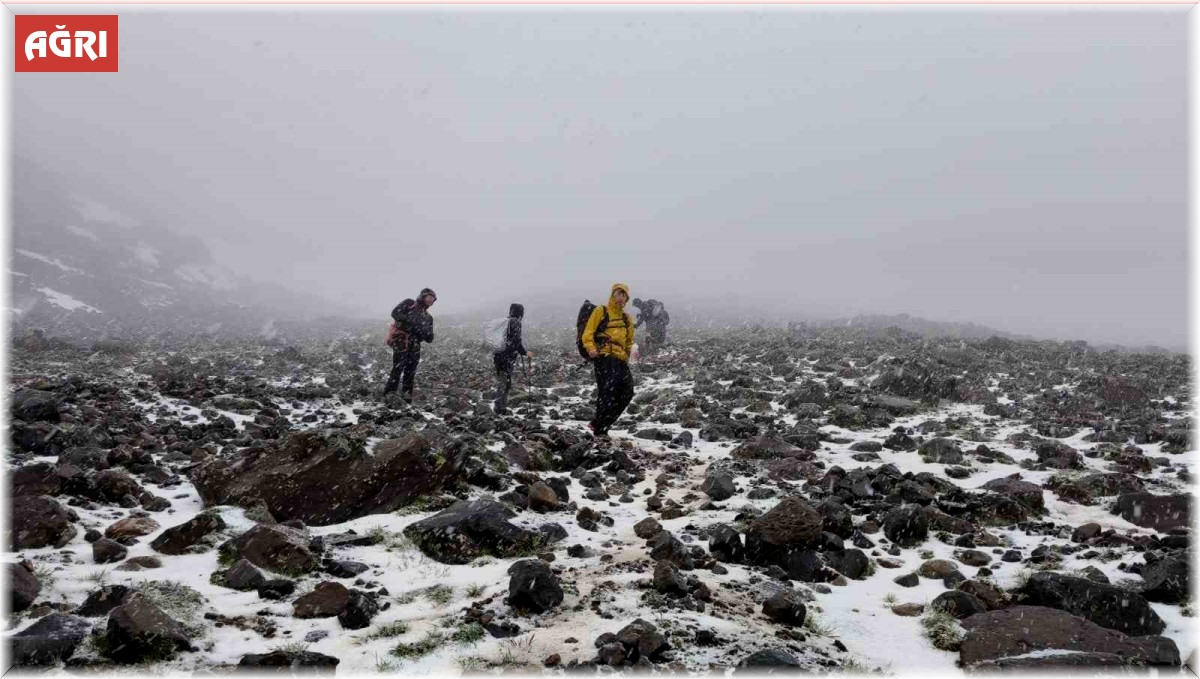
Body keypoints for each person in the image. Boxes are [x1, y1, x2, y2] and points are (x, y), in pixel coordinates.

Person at [581, 283, 635, 437]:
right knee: (607, 393)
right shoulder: (601, 311)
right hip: (604, 356)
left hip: (621, 359)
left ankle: (599, 423)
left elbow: (629, 340)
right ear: (613, 295)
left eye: (624, 295)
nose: (621, 298)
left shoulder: (626, 318)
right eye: (618, 294)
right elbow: (588, 333)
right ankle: (601, 430)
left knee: (627, 392)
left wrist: (632, 351)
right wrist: (590, 347)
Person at [383, 288, 436, 403]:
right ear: (423, 296)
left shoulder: (428, 317)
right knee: (398, 367)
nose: (431, 301)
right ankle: (389, 395)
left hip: (415, 344)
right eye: (430, 297)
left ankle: (406, 396)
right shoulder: (409, 303)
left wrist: (428, 334)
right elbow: (395, 313)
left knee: (411, 370)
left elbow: (429, 338)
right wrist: (411, 322)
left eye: (433, 299)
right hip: (402, 340)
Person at [493, 302, 531, 415]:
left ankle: (499, 406)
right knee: (505, 382)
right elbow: (516, 342)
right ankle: (500, 408)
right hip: (507, 357)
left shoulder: (505, 322)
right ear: (520, 313)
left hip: (498, 355)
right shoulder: (516, 323)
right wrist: (526, 353)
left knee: (502, 381)